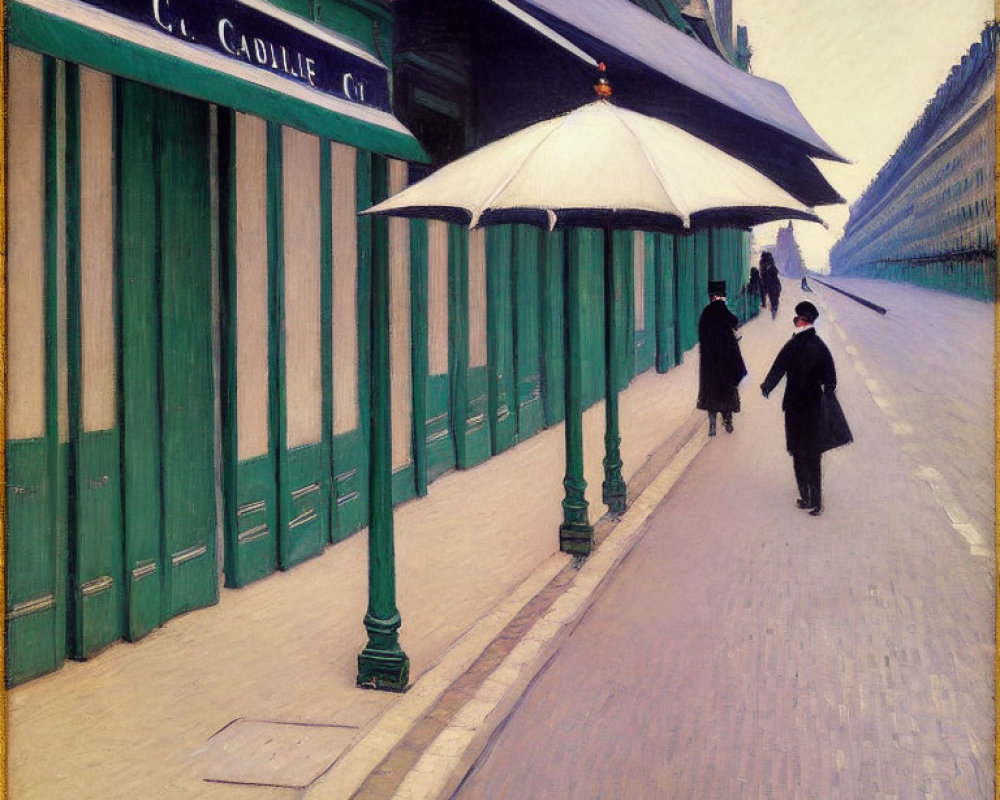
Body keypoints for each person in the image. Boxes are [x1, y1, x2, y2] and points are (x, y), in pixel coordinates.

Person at [760, 301, 838, 515]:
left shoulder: (792, 345)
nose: (795, 322)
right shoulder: (821, 346)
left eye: (797, 319)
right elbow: (830, 379)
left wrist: (767, 386)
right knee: (813, 454)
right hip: (812, 407)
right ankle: (815, 501)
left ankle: (807, 497)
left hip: (795, 407)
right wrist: (826, 390)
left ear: (804, 321)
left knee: (797, 452)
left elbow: (778, 368)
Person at [697, 280, 746, 436]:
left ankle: (712, 426)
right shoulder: (724, 311)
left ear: (711, 297)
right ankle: (728, 423)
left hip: (710, 362)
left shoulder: (706, 313)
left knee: (711, 392)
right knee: (727, 392)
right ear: (721, 296)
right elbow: (735, 322)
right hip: (725, 362)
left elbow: (702, 334)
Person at [760, 251, 781, 319]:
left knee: (774, 297)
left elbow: (773, 276)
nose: (766, 264)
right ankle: (767, 306)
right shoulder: (764, 266)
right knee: (765, 293)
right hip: (768, 284)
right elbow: (763, 274)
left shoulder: (772, 269)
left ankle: (773, 311)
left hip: (773, 285)